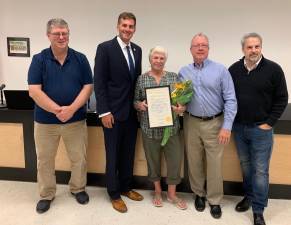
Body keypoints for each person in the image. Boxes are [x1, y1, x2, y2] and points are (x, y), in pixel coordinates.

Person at [28, 18, 93, 214]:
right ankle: (47, 194)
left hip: (76, 120)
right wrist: (58, 110)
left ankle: (78, 188)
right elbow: (34, 91)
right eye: (57, 33)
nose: (62, 37)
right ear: (48, 35)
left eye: (65, 33)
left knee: (79, 158)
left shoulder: (80, 59)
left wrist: (72, 109)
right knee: (45, 160)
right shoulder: (39, 60)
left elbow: (88, 87)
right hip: (45, 122)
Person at [229, 32, 288, 225]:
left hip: (261, 130)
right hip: (239, 128)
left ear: (261, 47)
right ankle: (249, 196)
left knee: (260, 171)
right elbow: (228, 97)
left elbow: (281, 99)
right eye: (249, 47)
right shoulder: (234, 70)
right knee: (246, 167)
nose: (253, 50)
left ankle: (258, 210)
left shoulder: (273, 69)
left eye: (257, 46)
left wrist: (269, 123)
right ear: (243, 49)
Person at [179, 33, 237, 219]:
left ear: (208, 49)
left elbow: (230, 99)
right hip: (191, 122)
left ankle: (214, 200)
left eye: (204, 45)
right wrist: (179, 107)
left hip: (215, 123)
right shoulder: (183, 72)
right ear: (191, 50)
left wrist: (226, 126)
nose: (200, 48)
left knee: (214, 164)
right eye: (197, 45)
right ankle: (199, 194)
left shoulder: (221, 71)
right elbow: (182, 99)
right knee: (194, 162)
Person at [94, 12, 143, 213]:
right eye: (124, 25)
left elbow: (136, 82)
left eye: (131, 26)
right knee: (113, 155)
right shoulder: (105, 48)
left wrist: (140, 103)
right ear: (118, 26)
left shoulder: (137, 50)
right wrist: (104, 111)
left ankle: (125, 187)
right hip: (112, 114)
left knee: (128, 153)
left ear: (134, 29)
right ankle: (114, 193)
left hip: (131, 114)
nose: (127, 29)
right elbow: (100, 82)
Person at [134, 46, 187, 210]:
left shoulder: (174, 77)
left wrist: (181, 108)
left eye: (161, 58)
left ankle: (171, 194)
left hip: (171, 129)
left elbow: (182, 101)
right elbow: (135, 101)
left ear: (165, 60)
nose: (158, 61)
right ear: (150, 60)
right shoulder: (141, 79)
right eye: (155, 58)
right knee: (153, 161)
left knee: (174, 160)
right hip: (149, 130)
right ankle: (157, 191)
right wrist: (140, 105)